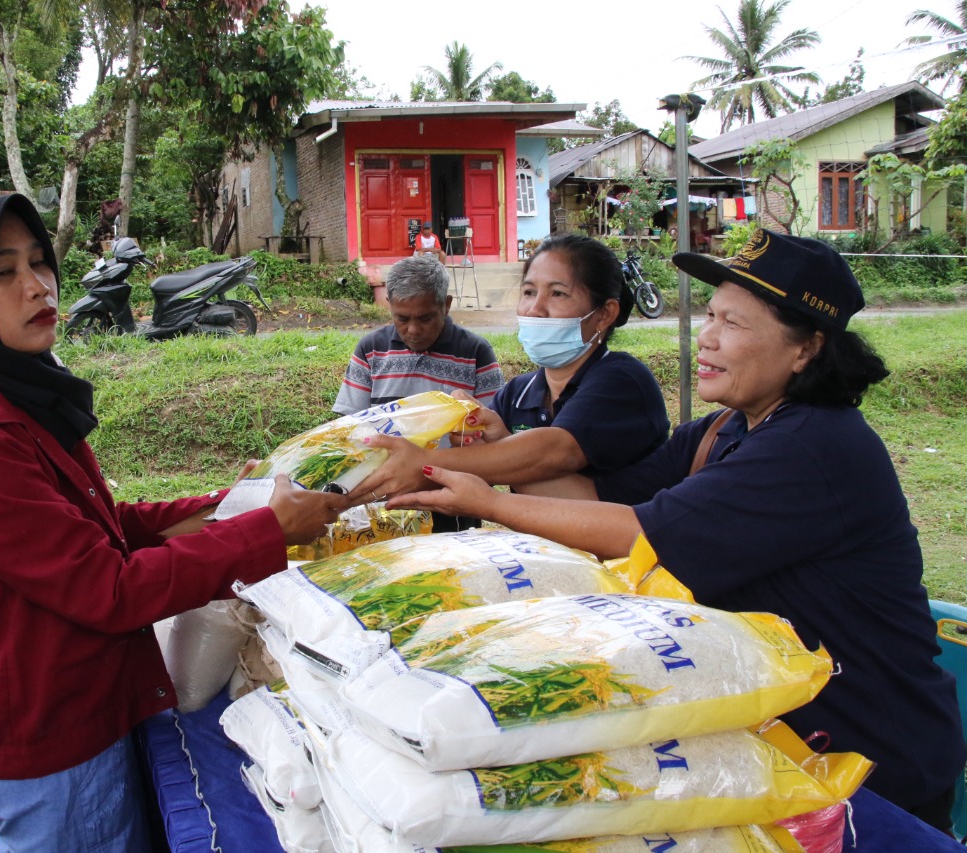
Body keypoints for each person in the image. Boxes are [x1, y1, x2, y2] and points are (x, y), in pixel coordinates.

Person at [382, 230, 965, 833]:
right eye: (710, 314)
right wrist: (485, 460)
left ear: (806, 349)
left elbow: (637, 529)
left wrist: (482, 496)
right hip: (776, 748)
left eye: (733, 324)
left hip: (866, 764)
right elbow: (592, 500)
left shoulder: (815, 446)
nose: (706, 336)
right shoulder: (724, 431)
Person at [0, 193, 347, 851]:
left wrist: (230, 505)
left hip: (72, 705)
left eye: (39, 262)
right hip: (46, 733)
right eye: (2, 272)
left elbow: (98, 523)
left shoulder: (9, 393)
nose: (36, 286)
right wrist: (265, 532)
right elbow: (106, 587)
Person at [350, 233, 669, 503]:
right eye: (529, 292)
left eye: (557, 293)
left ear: (604, 314)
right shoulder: (519, 394)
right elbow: (567, 498)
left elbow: (554, 452)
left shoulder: (622, 381)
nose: (535, 309)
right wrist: (496, 443)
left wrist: (426, 463)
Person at [333, 254, 503, 416]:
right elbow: (351, 424)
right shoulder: (371, 350)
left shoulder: (476, 353)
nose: (413, 330)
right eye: (402, 318)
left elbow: (492, 425)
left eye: (425, 318)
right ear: (390, 305)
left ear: (446, 305)